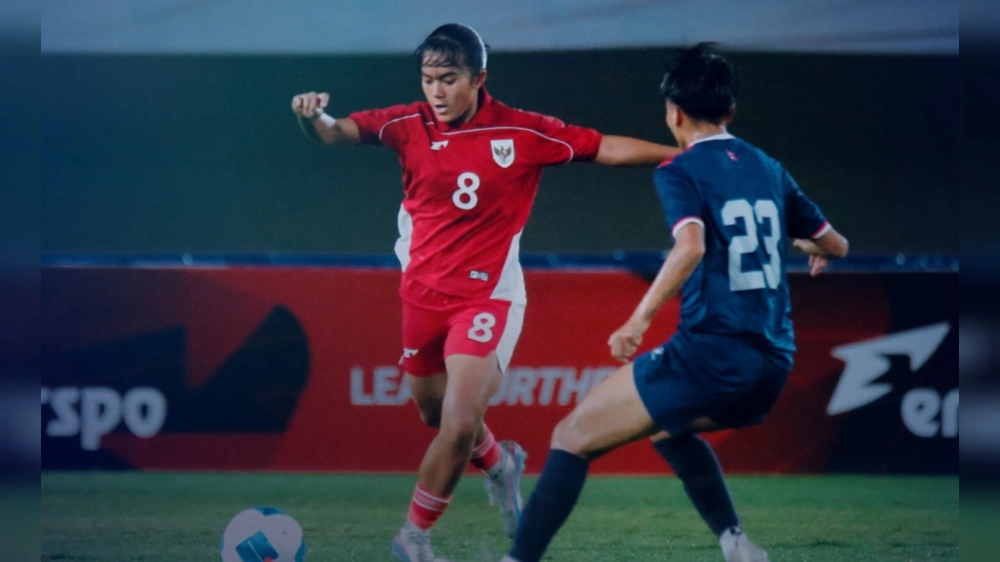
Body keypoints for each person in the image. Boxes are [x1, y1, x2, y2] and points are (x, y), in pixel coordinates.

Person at [290, 23, 682, 562]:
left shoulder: (522, 132)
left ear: (479, 79)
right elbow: (335, 133)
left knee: (457, 423)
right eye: (428, 79)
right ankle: (499, 463)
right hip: (422, 294)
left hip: (487, 298)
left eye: (448, 79)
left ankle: (414, 536)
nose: (436, 91)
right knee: (434, 416)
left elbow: (605, 146)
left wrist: (681, 155)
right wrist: (312, 117)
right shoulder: (407, 124)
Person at [501, 43, 850, 562]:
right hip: (773, 363)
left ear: (673, 112)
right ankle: (737, 545)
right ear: (730, 111)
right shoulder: (767, 167)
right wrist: (809, 245)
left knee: (571, 435)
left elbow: (691, 246)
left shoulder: (679, 169)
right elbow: (837, 244)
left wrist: (636, 321)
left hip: (712, 353)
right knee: (670, 429)